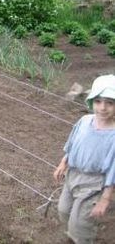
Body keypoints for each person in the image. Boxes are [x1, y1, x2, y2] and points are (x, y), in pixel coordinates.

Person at [54, 74, 115, 243]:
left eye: (110, 103)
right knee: (63, 211)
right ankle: (74, 235)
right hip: (72, 175)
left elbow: (113, 170)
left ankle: (82, 237)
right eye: (98, 101)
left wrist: (104, 199)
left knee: (80, 222)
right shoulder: (84, 121)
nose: (103, 108)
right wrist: (62, 163)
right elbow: (72, 144)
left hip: (94, 183)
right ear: (91, 102)